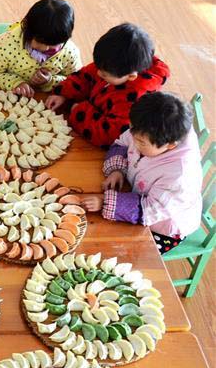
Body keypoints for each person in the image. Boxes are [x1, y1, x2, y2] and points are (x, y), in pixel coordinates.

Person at [80, 92, 202, 254]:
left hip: (162, 226)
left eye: (141, 143)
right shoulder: (144, 130)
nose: (134, 143)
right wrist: (117, 170)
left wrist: (104, 203)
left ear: (170, 146)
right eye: (132, 133)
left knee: (118, 253)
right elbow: (122, 143)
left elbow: (149, 211)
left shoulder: (180, 176)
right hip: (134, 196)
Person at [45, 23, 170, 148]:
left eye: (104, 74)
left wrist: (77, 110)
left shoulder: (133, 101)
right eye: (98, 67)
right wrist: (63, 94)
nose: (98, 73)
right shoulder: (112, 65)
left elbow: (107, 135)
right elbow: (85, 76)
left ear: (131, 76)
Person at [0, 0, 81, 97]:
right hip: (10, 98)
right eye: (40, 42)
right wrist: (16, 83)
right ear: (26, 29)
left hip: (49, 101)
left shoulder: (69, 53)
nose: (45, 49)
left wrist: (50, 81)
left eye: (52, 45)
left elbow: (78, 82)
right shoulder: (6, 44)